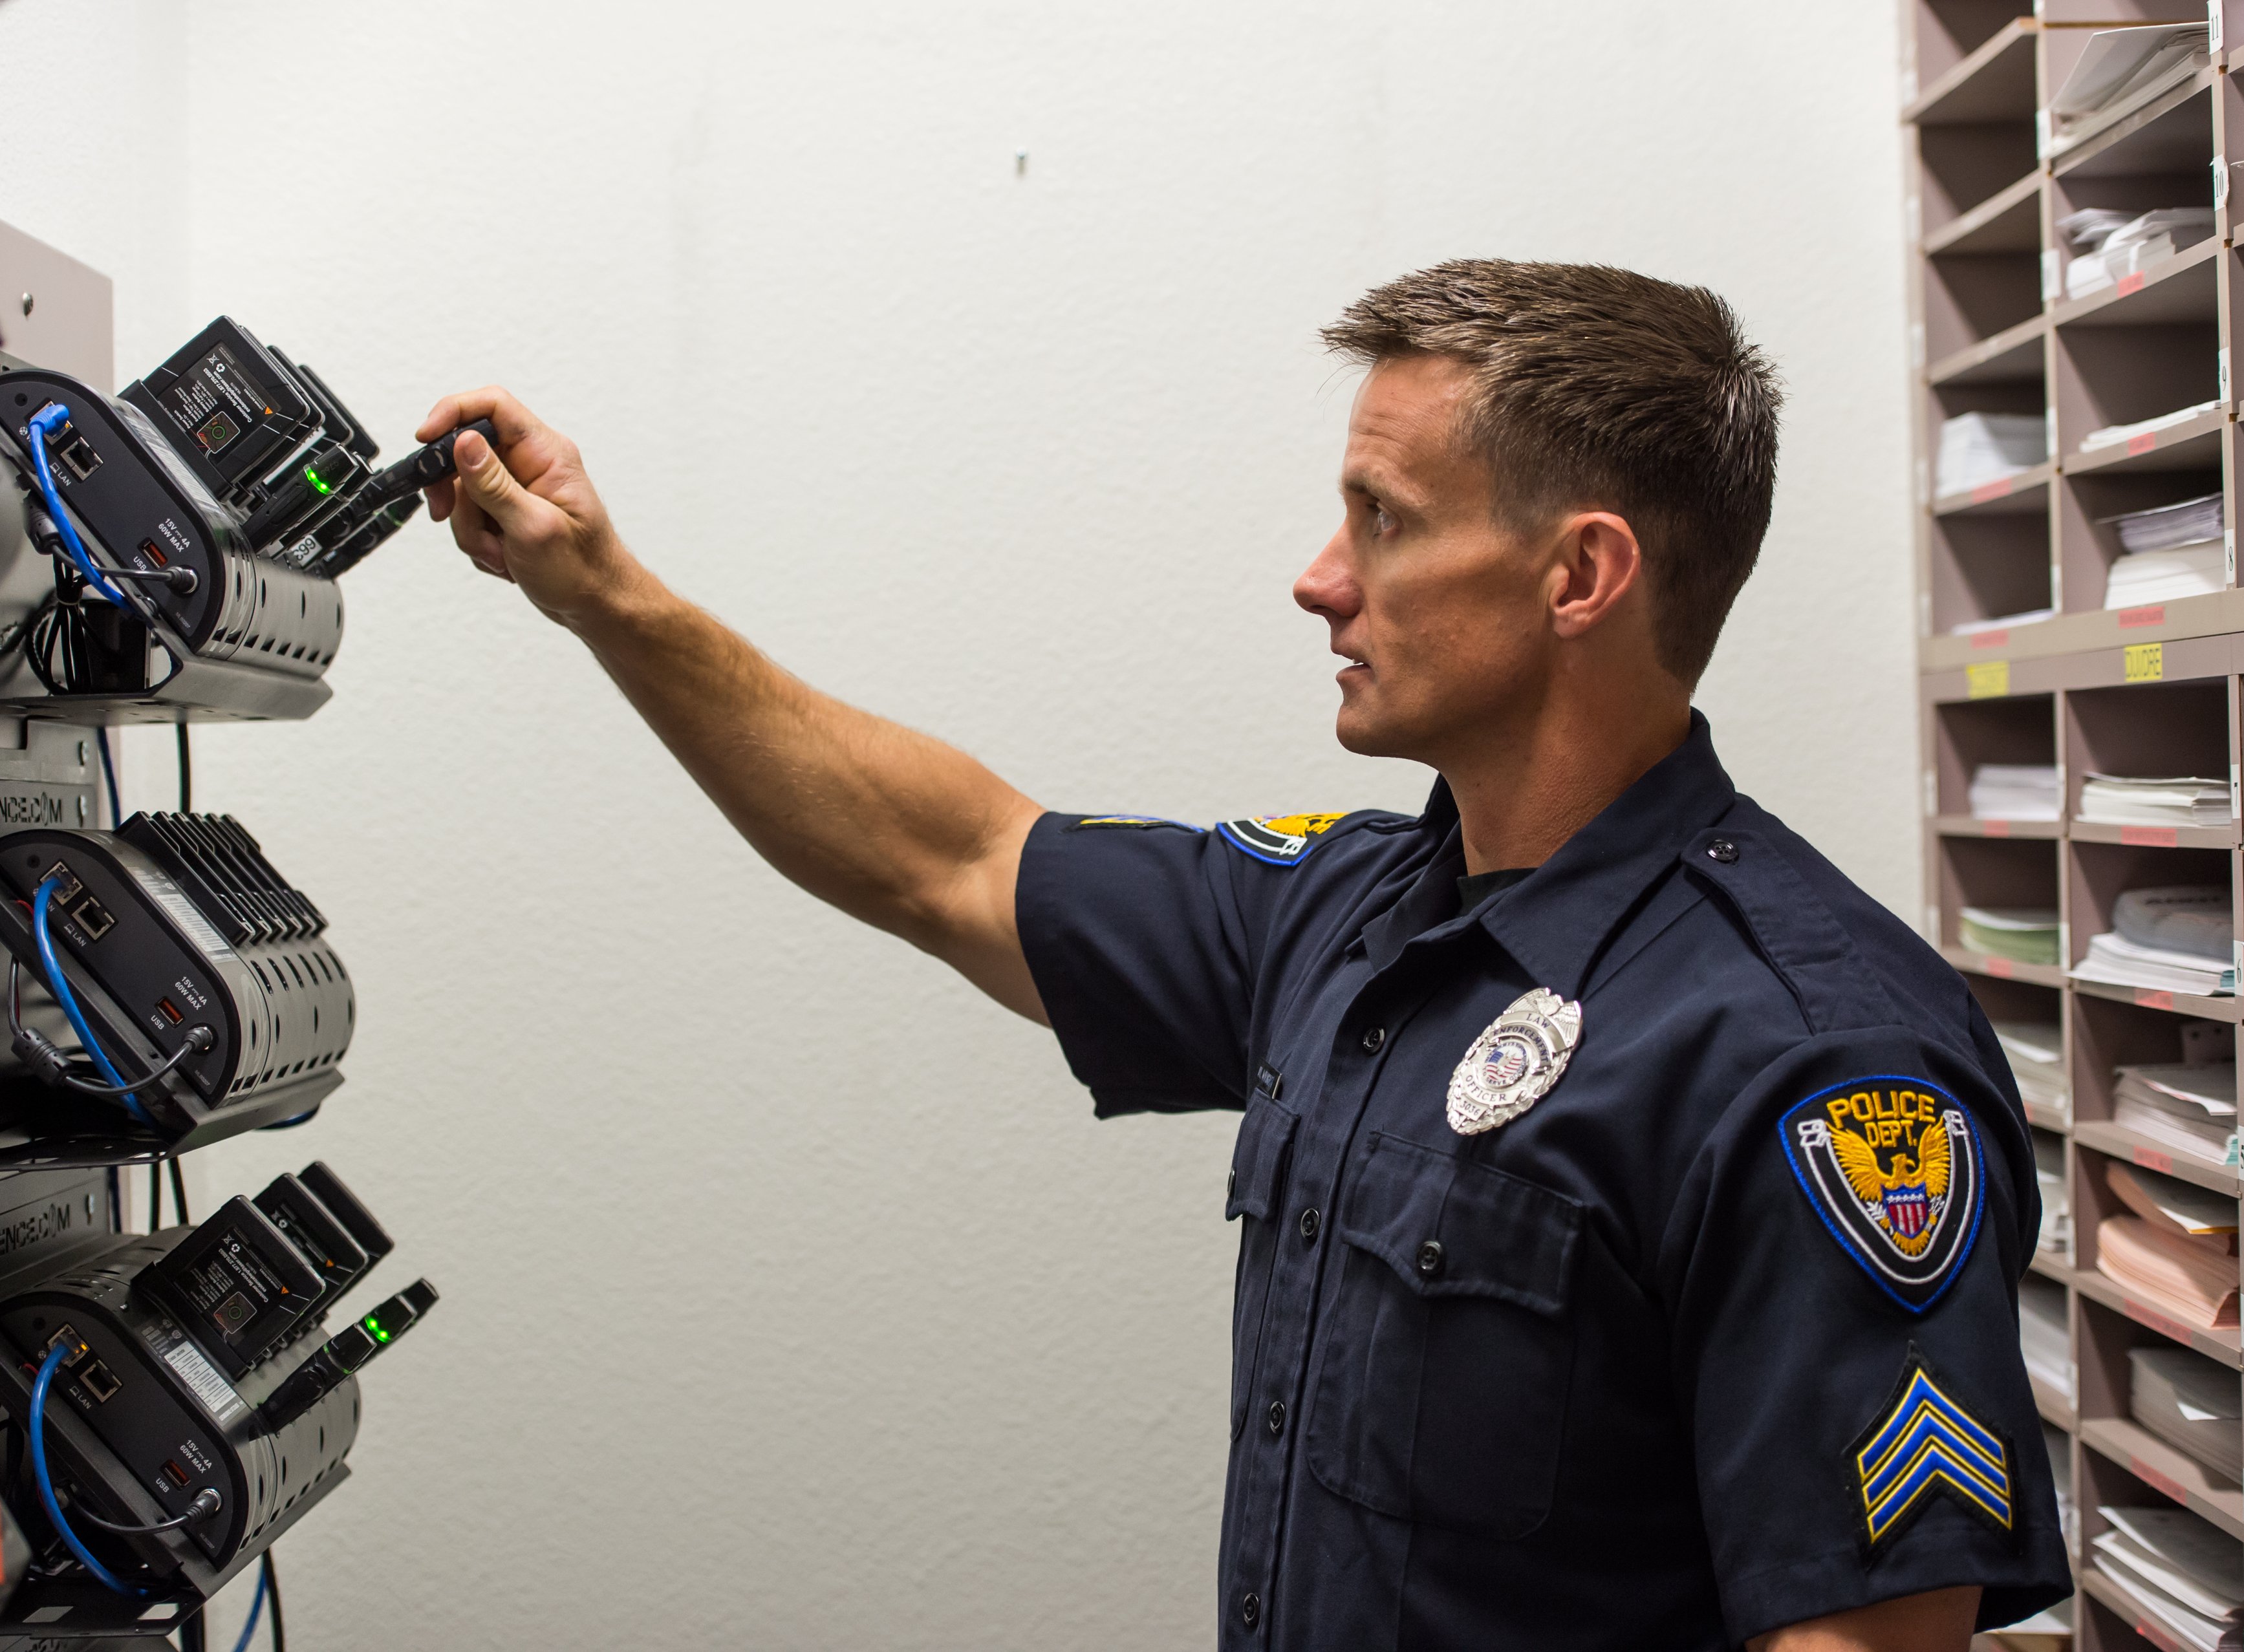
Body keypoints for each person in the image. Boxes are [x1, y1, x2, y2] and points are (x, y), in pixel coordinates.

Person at [416, 260, 2070, 1651]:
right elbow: (955, 857)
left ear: (1581, 576)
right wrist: (602, 593)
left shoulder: (1810, 1058)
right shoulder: (1351, 917)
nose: (1318, 577)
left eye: (1383, 517)